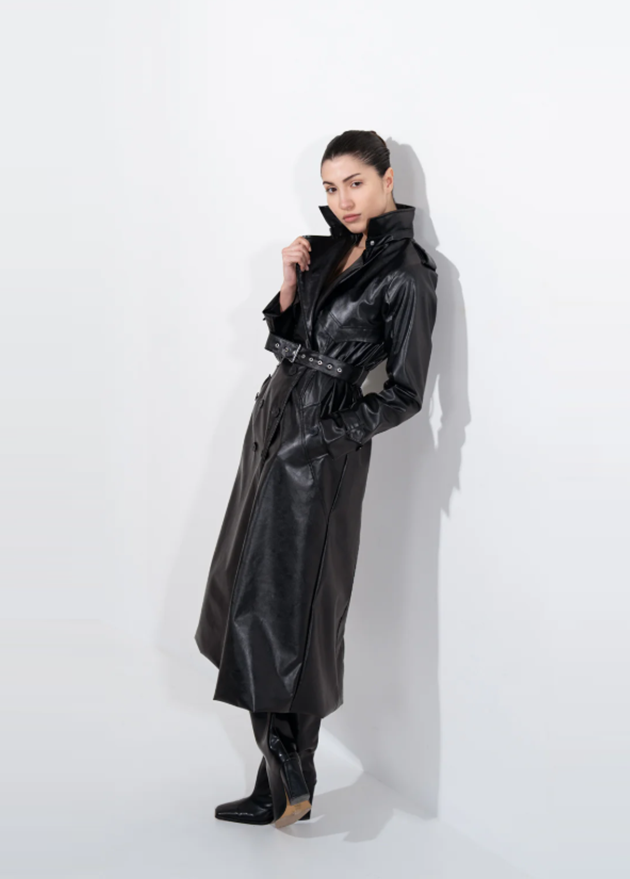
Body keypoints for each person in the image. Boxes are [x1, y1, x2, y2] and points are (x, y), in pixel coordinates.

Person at [193, 130, 439, 829]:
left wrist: (325, 436)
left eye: (355, 183)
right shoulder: (327, 250)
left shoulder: (408, 273)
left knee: (292, 608)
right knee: (242, 590)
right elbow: (290, 344)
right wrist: (290, 285)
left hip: (319, 451)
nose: (343, 199)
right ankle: (281, 779)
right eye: (331, 188)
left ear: (387, 180)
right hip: (270, 428)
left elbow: (405, 393)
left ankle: (288, 764)